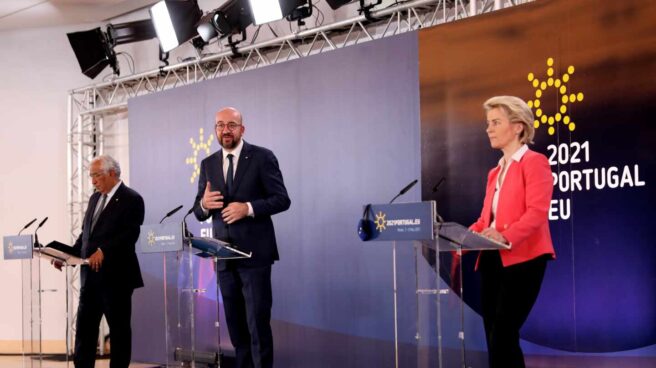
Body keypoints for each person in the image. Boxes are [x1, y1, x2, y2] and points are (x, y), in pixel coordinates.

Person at [193, 107, 291, 368]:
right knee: (236, 330)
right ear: (215, 129)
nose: (226, 130)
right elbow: (199, 211)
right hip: (224, 258)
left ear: (242, 129)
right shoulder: (208, 164)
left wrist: (247, 208)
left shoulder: (262, 157)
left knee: (257, 325)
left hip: (255, 257)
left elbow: (282, 199)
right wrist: (204, 204)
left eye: (231, 125)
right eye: (220, 125)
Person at [469, 96, 556, 368]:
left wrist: (505, 235)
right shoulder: (494, 172)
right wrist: (466, 233)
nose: (489, 129)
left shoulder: (535, 162)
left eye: (496, 122)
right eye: (488, 123)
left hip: (524, 259)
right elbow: (486, 220)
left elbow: (537, 212)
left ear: (518, 127)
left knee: (504, 335)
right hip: (492, 259)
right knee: (495, 337)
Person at [71, 155, 145, 368]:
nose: (92, 181)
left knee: (119, 332)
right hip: (90, 279)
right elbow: (86, 236)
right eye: (90, 176)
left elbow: (130, 234)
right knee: (85, 332)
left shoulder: (132, 198)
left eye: (96, 175)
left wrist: (104, 250)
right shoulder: (95, 198)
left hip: (117, 279)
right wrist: (66, 256)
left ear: (111, 173)